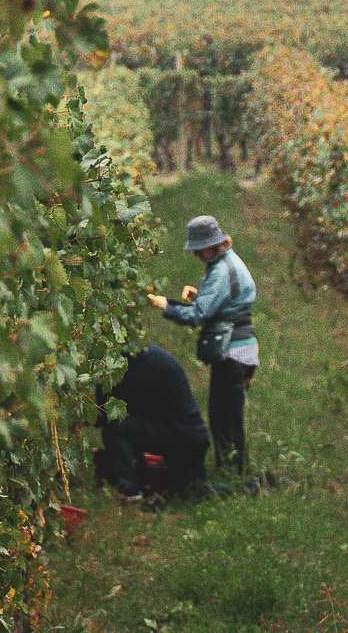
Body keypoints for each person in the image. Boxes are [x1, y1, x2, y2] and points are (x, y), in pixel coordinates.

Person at [147, 214, 258, 472]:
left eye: (199, 250)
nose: (196, 255)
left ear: (211, 245)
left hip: (233, 350)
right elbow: (230, 300)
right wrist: (201, 296)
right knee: (229, 415)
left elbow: (198, 315)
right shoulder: (230, 261)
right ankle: (234, 469)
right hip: (242, 347)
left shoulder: (221, 270)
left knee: (224, 418)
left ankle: (232, 474)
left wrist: (167, 306)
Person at [95, 344, 210, 499]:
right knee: (191, 489)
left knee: (116, 428)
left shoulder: (131, 369)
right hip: (193, 437)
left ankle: (131, 491)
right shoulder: (152, 357)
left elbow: (104, 415)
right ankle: (243, 488)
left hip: (181, 439)